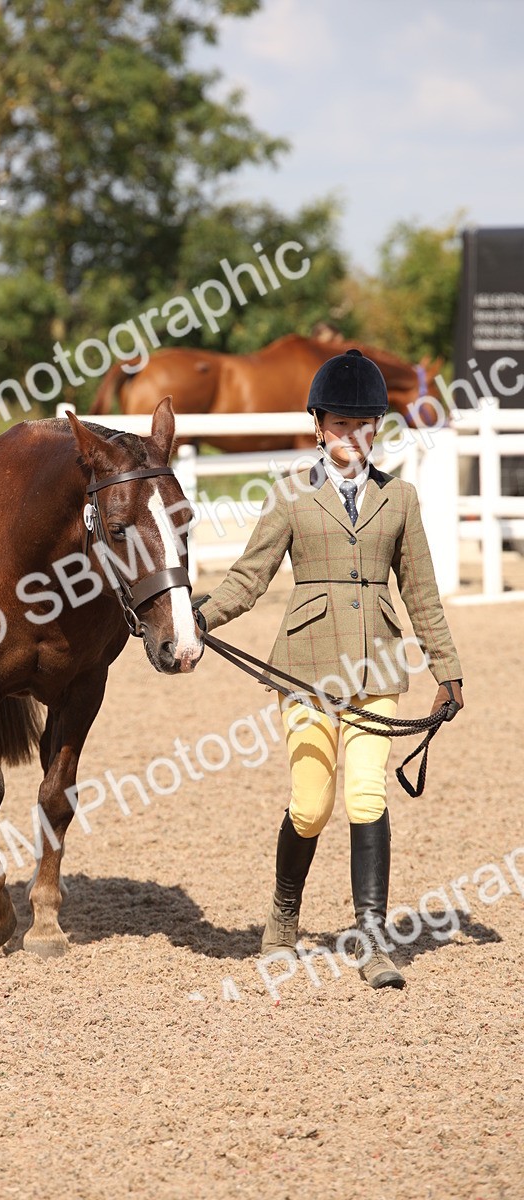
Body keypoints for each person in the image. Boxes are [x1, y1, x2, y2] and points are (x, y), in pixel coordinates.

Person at [195, 348, 464, 990]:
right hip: (306, 670)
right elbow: (249, 578)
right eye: (340, 424)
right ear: (319, 426)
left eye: (363, 424)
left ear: (377, 428)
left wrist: (447, 668)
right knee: (310, 805)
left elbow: (421, 591)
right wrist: (201, 617)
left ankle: (372, 937)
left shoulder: (399, 498)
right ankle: (284, 919)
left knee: (366, 795)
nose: (352, 436)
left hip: (377, 666)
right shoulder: (291, 496)